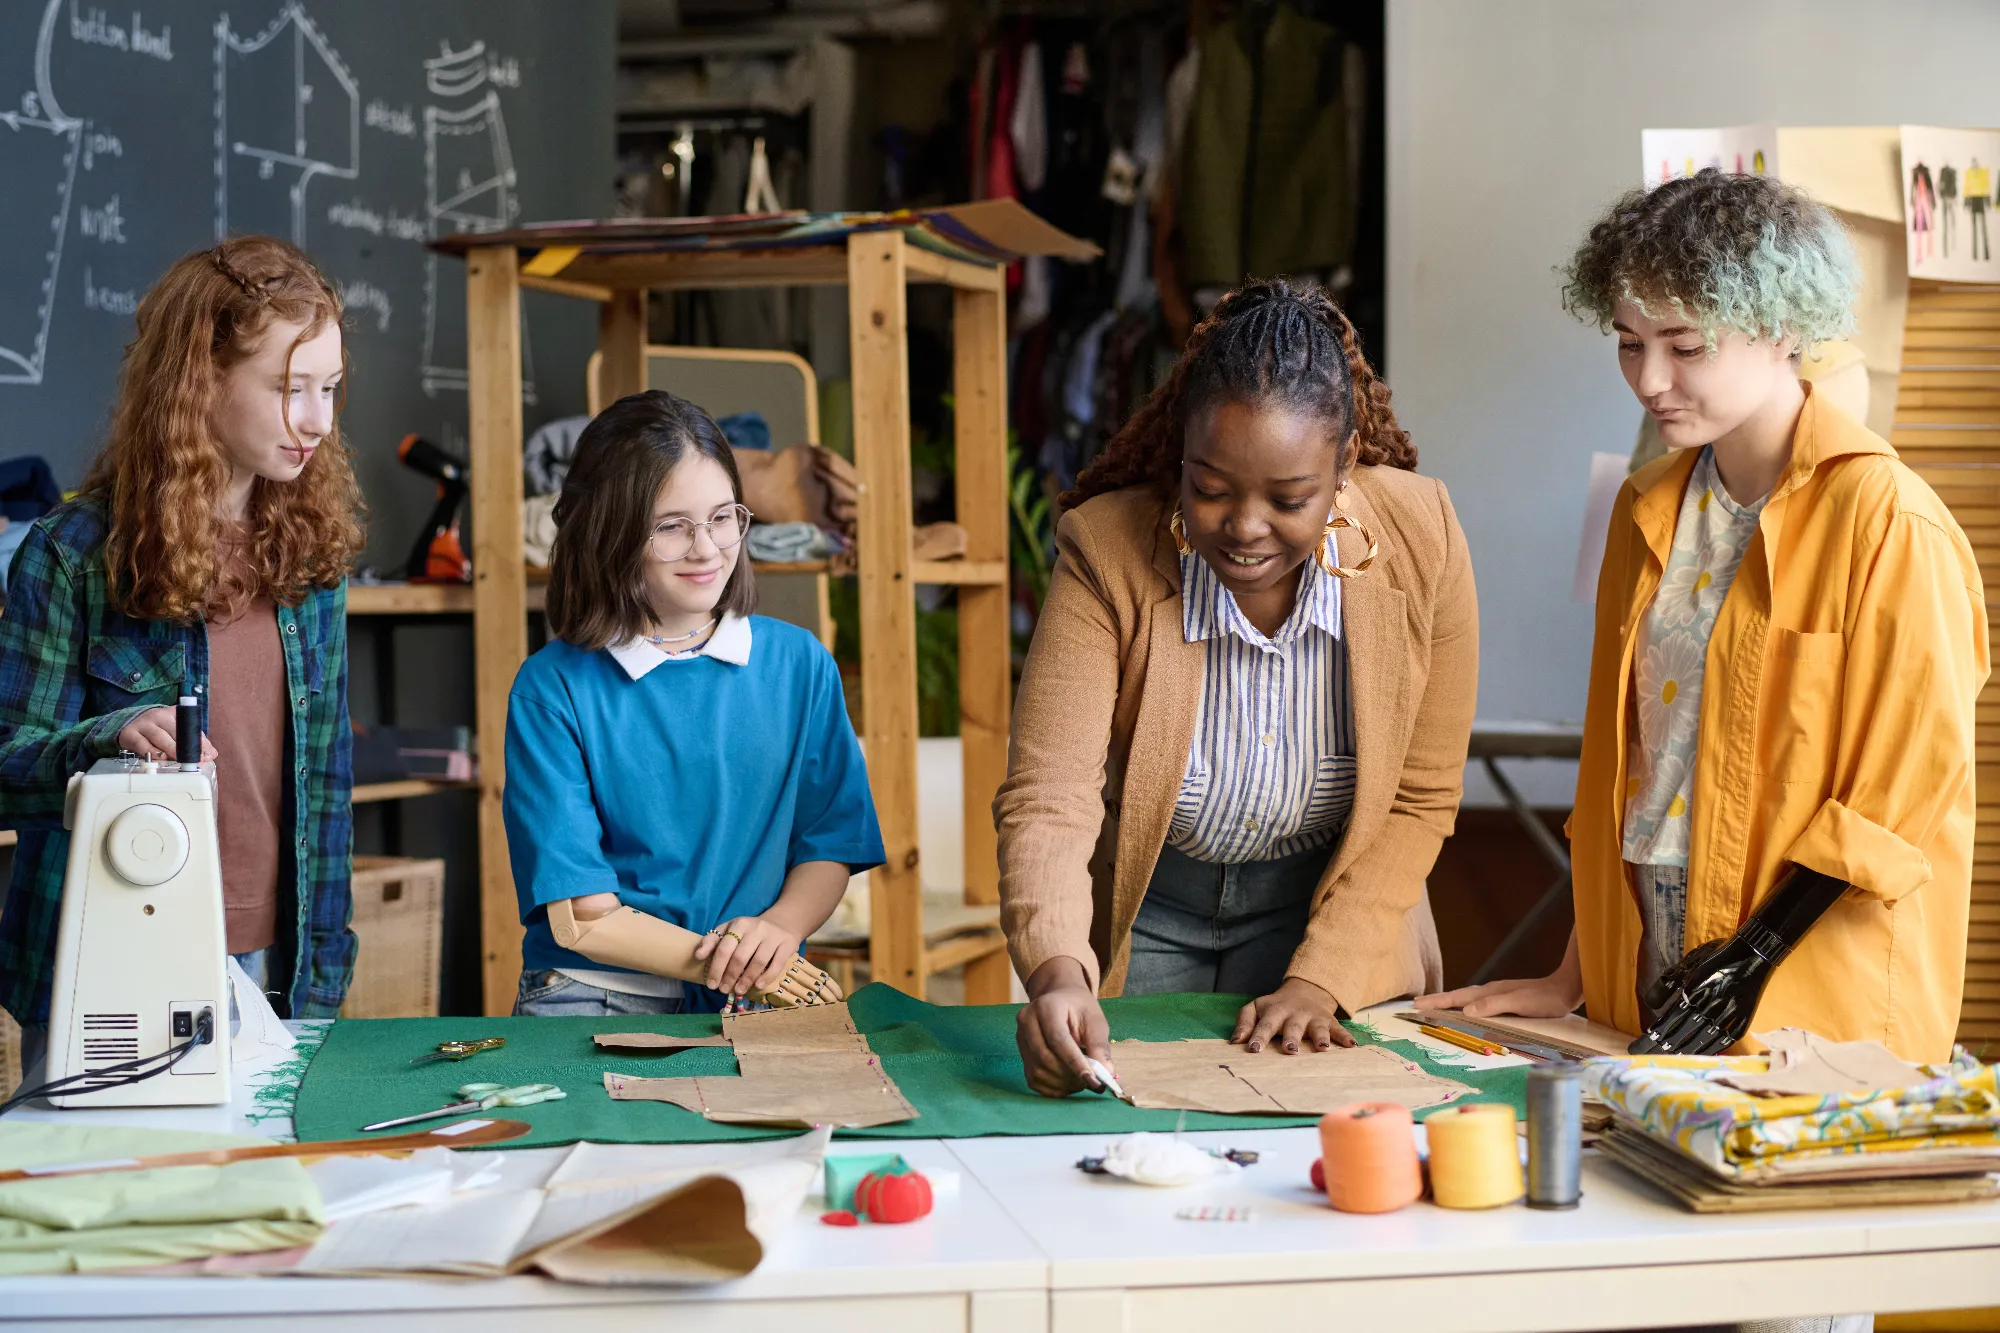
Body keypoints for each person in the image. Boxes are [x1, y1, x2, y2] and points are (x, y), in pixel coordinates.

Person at [1423, 170, 1985, 1069]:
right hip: (1649, 934)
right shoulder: (1645, 507)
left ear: (1782, 328)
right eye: (1629, 343)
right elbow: (1634, 762)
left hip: (1808, 960)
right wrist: (1577, 967)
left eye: (1685, 346)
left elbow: (1895, 799)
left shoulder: (1888, 521)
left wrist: (1753, 959)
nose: (1650, 379)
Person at [999, 279, 1478, 1097]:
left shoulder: (1422, 537)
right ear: (1180, 454)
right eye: (1211, 488)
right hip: (1150, 907)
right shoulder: (1109, 550)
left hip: (1331, 912)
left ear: (1346, 461)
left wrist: (1320, 978)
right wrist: (1057, 973)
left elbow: (1419, 798)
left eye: (1289, 499)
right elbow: (1051, 796)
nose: (1244, 526)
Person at [0, 237, 364, 1049]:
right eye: (288, 387)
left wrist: (328, 976)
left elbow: (328, 779)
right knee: (118, 1180)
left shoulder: (314, 554)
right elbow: (5, 761)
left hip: (283, 963)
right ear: (201, 381)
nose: (317, 419)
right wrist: (107, 743)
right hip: (107, 964)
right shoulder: (73, 554)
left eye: (330, 388)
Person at [502, 389, 881, 1017]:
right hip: (596, 991)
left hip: (761, 981)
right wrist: (743, 964)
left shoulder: (801, 663)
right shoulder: (552, 687)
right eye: (672, 527)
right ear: (608, 532)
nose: (706, 548)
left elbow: (829, 843)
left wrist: (781, 931)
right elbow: (582, 918)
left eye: (724, 516)